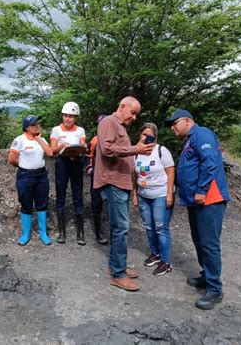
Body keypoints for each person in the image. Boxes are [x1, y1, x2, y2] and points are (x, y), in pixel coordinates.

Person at [165, 109, 230, 310]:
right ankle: (206, 276)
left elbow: (210, 162)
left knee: (209, 243)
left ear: (187, 120)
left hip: (209, 199)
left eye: (175, 123)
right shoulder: (190, 139)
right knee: (199, 240)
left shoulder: (201, 134)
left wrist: (201, 189)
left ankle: (214, 289)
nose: (172, 127)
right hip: (196, 201)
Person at [94, 96, 155, 291]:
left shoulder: (119, 126)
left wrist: (136, 148)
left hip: (121, 183)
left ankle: (116, 265)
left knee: (118, 227)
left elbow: (120, 149)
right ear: (122, 106)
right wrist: (134, 149)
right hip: (113, 183)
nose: (134, 117)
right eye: (133, 112)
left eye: (136, 114)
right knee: (121, 228)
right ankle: (118, 274)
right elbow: (107, 149)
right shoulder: (108, 122)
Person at [132, 123, 175, 276]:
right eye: (143, 134)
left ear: (155, 136)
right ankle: (155, 254)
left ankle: (165, 261)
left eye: (149, 135)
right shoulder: (136, 153)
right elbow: (135, 175)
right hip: (144, 195)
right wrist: (135, 194)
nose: (146, 137)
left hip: (161, 194)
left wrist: (169, 194)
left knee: (160, 227)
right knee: (149, 227)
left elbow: (171, 173)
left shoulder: (161, 151)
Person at [8, 115, 54, 246]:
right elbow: (12, 159)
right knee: (26, 204)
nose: (38, 126)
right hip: (25, 176)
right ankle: (25, 234)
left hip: (41, 175)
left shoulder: (41, 139)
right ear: (27, 127)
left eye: (39, 123)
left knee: (42, 204)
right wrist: (23, 166)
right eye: (34, 124)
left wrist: (39, 139)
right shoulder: (19, 140)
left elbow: (50, 153)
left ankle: (43, 233)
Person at [50, 102, 87, 245]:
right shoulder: (56, 130)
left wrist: (84, 146)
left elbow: (83, 144)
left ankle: (80, 233)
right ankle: (62, 232)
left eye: (71, 116)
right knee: (60, 193)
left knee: (78, 194)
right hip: (62, 163)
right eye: (66, 116)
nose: (68, 119)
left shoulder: (80, 130)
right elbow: (53, 150)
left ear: (75, 117)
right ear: (62, 116)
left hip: (76, 163)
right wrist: (62, 145)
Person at [85, 114, 109, 245]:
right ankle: (98, 233)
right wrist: (89, 167)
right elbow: (89, 154)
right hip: (96, 175)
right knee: (96, 203)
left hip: (111, 176)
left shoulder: (114, 138)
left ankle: (113, 230)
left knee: (112, 203)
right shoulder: (94, 140)